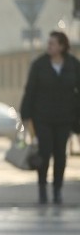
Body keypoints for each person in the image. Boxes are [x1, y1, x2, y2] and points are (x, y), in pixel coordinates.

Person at [20, 31, 80, 204]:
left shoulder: (72, 64)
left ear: (62, 46)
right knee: (44, 154)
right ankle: (42, 189)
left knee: (60, 155)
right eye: (49, 43)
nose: (49, 46)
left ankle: (57, 190)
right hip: (42, 118)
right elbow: (30, 90)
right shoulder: (39, 64)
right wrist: (25, 115)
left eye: (53, 43)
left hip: (64, 118)